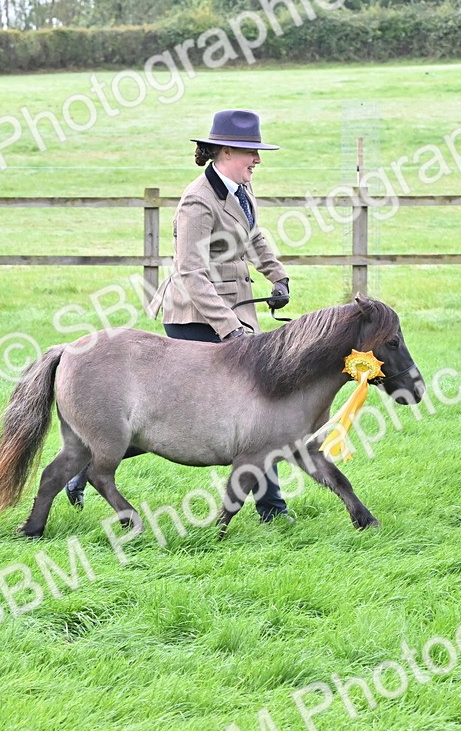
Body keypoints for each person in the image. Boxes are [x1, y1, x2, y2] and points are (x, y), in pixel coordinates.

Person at [65, 109, 293, 522]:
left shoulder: (241, 188)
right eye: (251, 153)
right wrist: (230, 330)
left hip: (235, 314)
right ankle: (272, 507)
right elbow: (190, 272)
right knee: (243, 410)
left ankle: (82, 464)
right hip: (196, 318)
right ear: (225, 150)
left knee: (247, 410)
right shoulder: (197, 202)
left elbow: (254, 235)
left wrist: (278, 276)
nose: (258, 160)